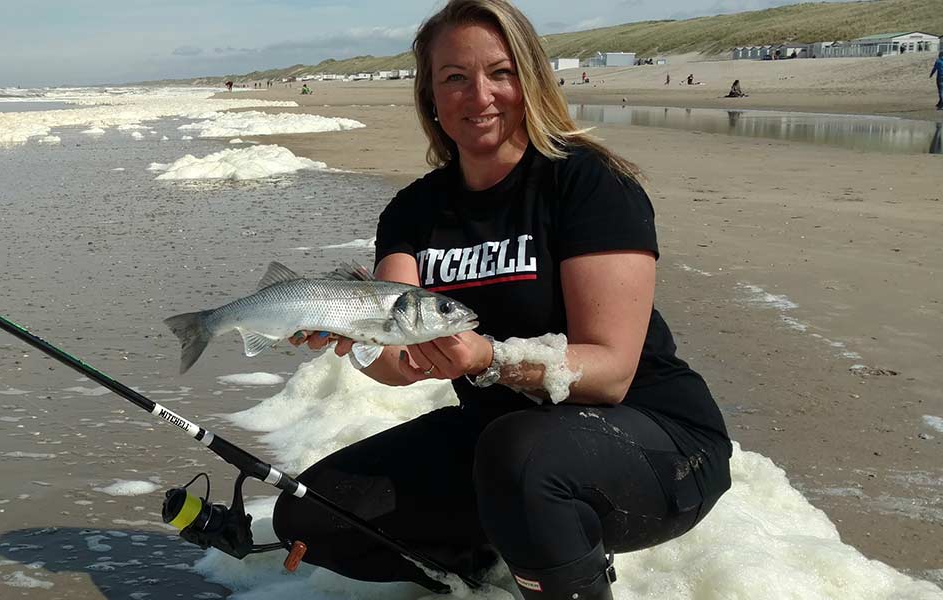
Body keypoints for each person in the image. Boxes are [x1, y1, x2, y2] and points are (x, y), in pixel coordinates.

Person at [273, 1, 732, 598]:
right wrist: (351, 336)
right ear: (431, 96)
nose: (479, 95)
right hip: (503, 447)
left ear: (531, 80)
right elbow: (400, 360)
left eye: (501, 72)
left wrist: (488, 359)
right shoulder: (413, 212)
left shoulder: (586, 184)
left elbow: (612, 372)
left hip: (657, 446)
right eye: (454, 78)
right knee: (310, 515)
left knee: (520, 455)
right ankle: (499, 566)